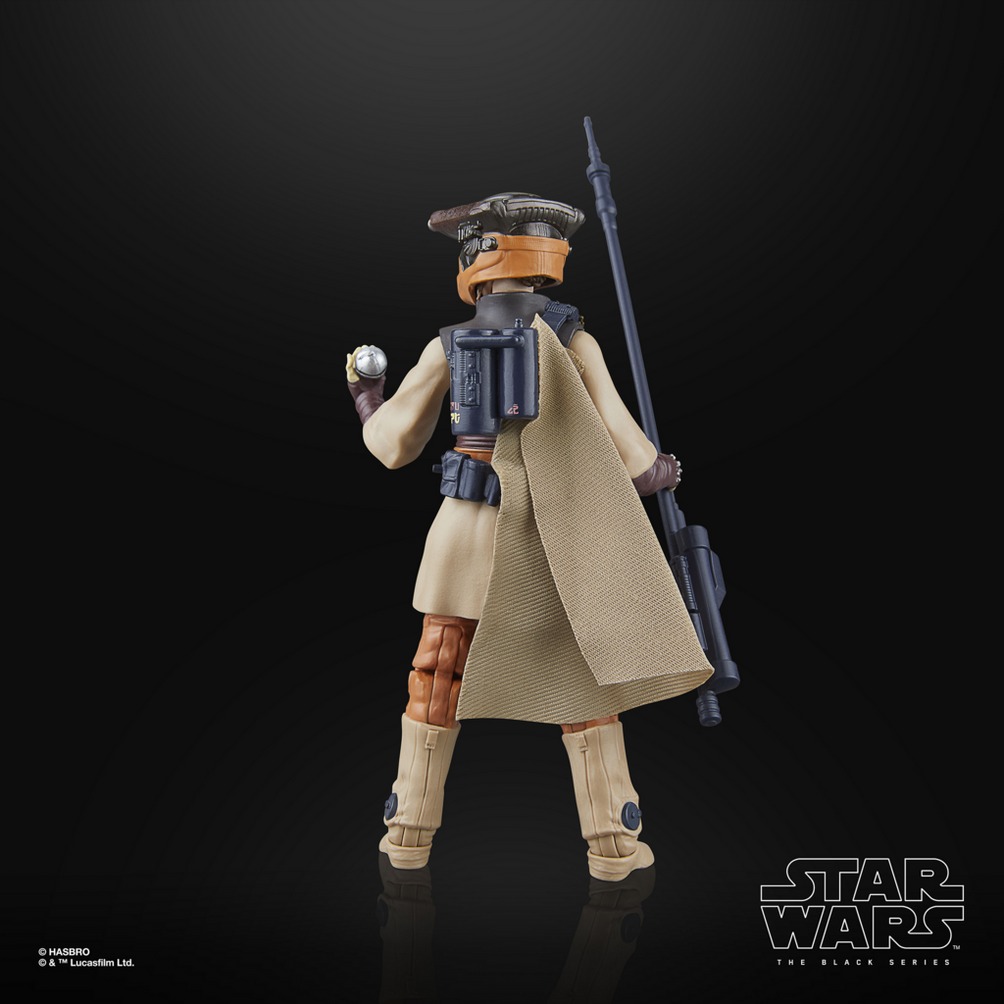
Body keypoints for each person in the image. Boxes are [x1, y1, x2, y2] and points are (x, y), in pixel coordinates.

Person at [347, 193, 713, 881]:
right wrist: (663, 470)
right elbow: (635, 462)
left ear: (477, 259)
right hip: (551, 545)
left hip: (464, 537)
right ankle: (613, 845)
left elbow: (392, 446)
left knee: (437, 675)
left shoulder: (447, 345)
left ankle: (407, 837)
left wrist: (366, 396)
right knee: (586, 685)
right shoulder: (575, 342)